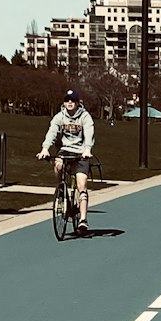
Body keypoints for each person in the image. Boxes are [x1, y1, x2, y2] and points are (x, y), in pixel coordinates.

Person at [38, 89, 95, 234]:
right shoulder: (59, 117)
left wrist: (87, 149)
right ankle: (61, 191)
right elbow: (52, 132)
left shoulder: (85, 117)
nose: (70, 103)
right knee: (58, 165)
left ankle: (82, 219)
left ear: (77, 103)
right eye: (67, 100)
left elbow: (89, 132)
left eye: (73, 100)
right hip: (64, 151)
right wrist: (45, 148)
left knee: (82, 185)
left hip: (81, 153)